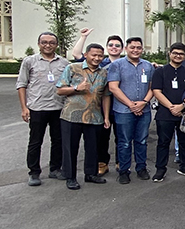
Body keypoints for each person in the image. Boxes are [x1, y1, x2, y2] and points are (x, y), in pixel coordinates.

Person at [55, 43, 111, 189]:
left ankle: (91, 174)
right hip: (71, 115)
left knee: (93, 147)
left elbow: (106, 96)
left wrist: (106, 117)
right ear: (86, 55)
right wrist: (76, 88)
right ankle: (70, 177)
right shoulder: (73, 68)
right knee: (70, 147)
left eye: (100, 56)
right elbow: (59, 90)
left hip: (94, 116)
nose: (97, 58)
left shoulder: (104, 73)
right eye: (94, 55)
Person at [17, 32, 70, 186]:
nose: (48, 45)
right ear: (39, 44)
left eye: (52, 42)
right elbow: (21, 84)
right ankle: (34, 172)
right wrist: (24, 108)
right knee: (35, 141)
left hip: (58, 108)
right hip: (37, 108)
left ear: (57, 45)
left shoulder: (64, 63)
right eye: (44, 42)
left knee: (58, 141)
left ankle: (55, 168)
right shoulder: (29, 61)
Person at [71, 29, 124, 176]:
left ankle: (121, 162)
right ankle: (102, 163)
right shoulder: (100, 62)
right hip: (101, 107)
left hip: (121, 107)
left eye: (117, 45)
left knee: (121, 137)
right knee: (102, 137)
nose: (114, 47)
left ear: (122, 48)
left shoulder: (125, 63)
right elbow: (76, 55)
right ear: (107, 47)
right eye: (111, 45)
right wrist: (83, 37)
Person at [107, 37, 156, 184]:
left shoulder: (148, 66)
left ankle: (141, 168)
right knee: (125, 142)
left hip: (144, 110)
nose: (135, 50)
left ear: (142, 49)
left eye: (138, 48)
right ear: (126, 49)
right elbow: (113, 87)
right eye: (132, 47)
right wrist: (131, 105)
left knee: (141, 140)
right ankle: (124, 170)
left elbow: (152, 87)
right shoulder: (117, 65)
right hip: (123, 111)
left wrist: (143, 102)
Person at [150, 43, 185, 182]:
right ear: (170, 53)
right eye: (175, 53)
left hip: (184, 112)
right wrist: (171, 107)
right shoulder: (160, 71)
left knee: (184, 141)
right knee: (163, 142)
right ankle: (160, 169)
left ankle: (184, 166)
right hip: (165, 113)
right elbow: (156, 91)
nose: (178, 56)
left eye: (181, 54)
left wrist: (181, 106)